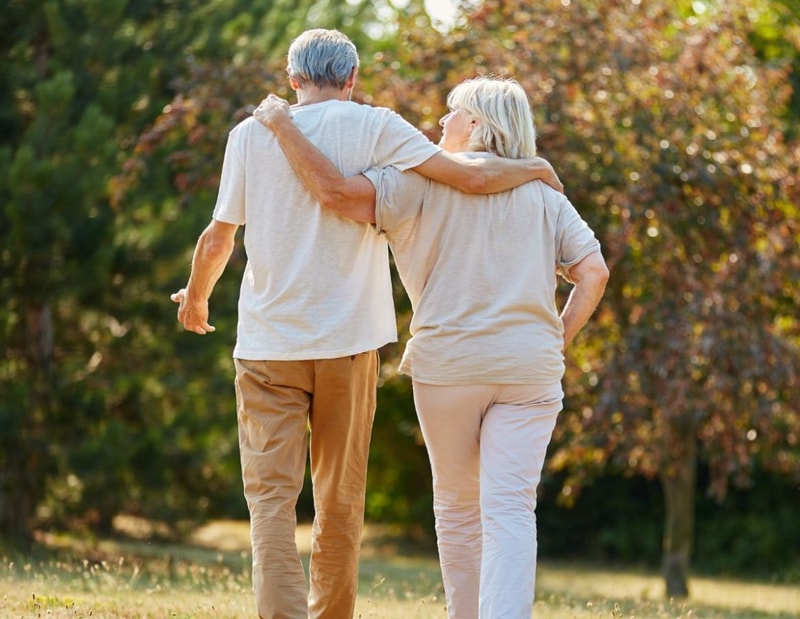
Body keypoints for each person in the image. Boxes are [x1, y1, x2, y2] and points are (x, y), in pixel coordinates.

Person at [171, 30, 560, 619]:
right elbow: (472, 177)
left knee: (270, 502)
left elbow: (218, 236)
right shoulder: (379, 126)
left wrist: (196, 298)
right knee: (340, 500)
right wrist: (537, 167)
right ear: (352, 78)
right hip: (348, 344)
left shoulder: (249, 135)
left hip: (267, 346)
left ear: (292, 77)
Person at [253, 76, 609, 619]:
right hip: (530, 370)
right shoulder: (545, 195)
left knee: (459, 507)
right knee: (512, 507)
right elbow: (593, 273)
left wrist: (282, 128)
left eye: (452, 113)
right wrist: (555, 341)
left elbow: (339, 196)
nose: (441, 123)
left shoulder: (413, 184)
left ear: (476, 124)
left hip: (450, 368)